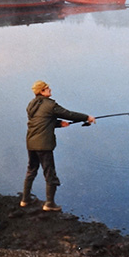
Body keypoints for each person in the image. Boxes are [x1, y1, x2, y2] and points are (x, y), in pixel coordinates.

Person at [21, 80, 95, 212]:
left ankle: (25, 200)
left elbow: (41, 120)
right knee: (50, 173)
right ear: (41, 91)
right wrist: (87, 117)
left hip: (31, 143)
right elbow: (69, 114)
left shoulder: (31, 105)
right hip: (44, 145)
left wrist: (59, 123)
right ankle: (49, 204)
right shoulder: (50, 105)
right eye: (47, 88)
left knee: (31, 170)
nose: (50, 90)